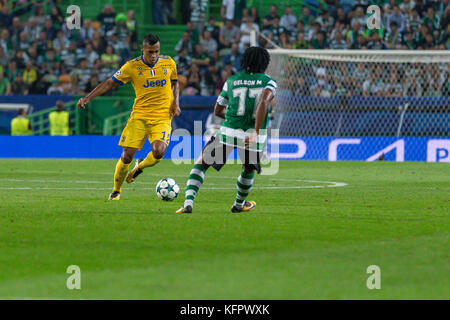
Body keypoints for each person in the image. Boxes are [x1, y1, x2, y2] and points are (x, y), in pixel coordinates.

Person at [76, 33, 181, 200]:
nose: (154, 55)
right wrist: (88, 97)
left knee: (159, 152)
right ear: (142, 49)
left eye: (156, 51)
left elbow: (175, 82)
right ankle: (116, 190)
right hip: (139, 116)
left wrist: (176, 103)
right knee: (126, 155)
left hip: (162, 116)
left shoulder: (168, 62)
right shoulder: (131, 67)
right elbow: (110, 82)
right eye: (150, 52)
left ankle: (138, 168)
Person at [176, 46, 277, 214]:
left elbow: (218, 110)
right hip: (253, 135)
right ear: (264, 63)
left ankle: (188, 202)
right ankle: (239, 204)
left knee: (202, 164)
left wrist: (233, 118)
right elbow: (264, 103)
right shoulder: (269, 82)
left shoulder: (231, 81)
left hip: (228, 132)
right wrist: (256, 131)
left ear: (244, 61)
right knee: (248, 168)